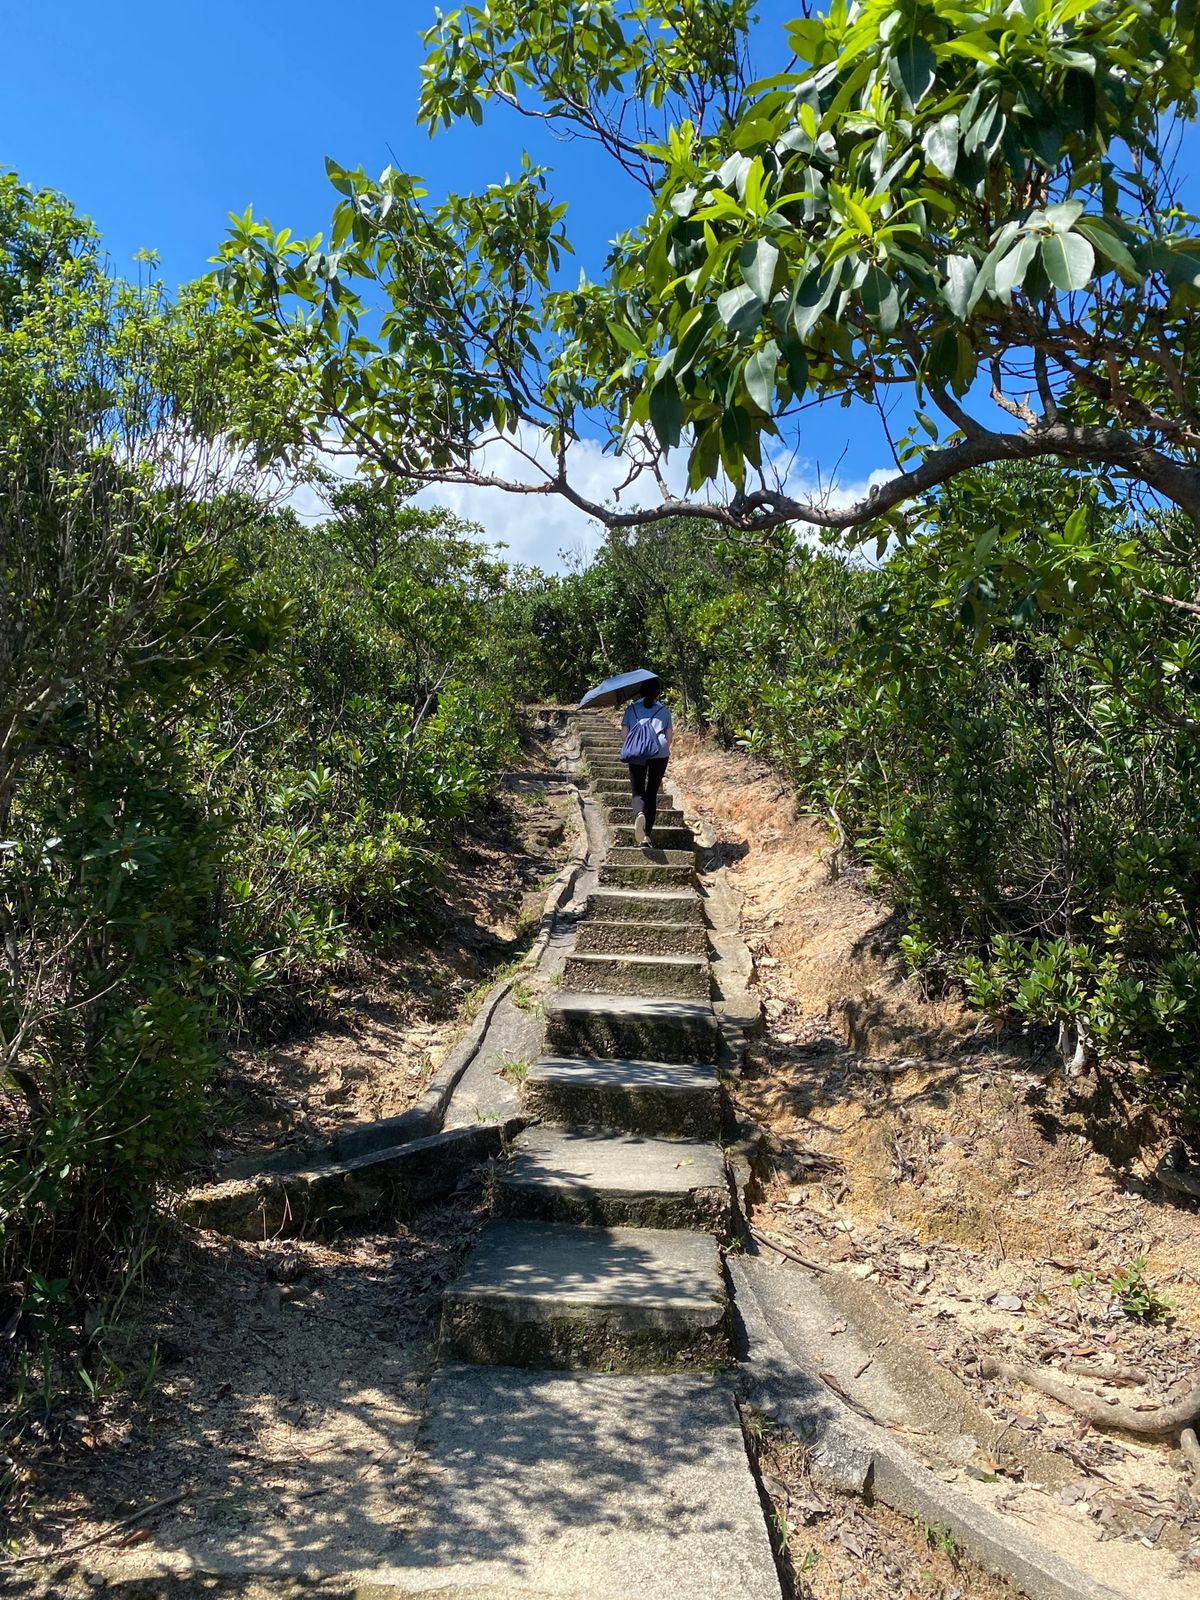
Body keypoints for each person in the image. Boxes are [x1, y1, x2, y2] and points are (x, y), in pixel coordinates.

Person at [621, 679, 673, 846]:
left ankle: (639, 815)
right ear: (658, 693)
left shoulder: (631, 709)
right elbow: (669, 737)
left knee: (637, 791)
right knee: (652, 793)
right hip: (660, 751)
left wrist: (636, 746)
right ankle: (646, 837)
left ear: (641, 691)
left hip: (637, 752)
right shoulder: (664, 711)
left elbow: (624, 734)